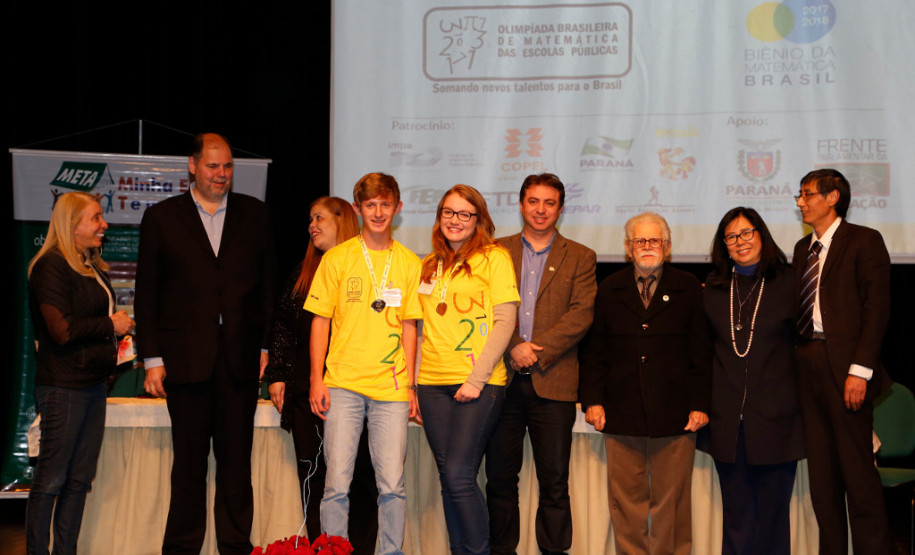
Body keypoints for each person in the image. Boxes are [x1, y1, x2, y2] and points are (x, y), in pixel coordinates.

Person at [135, 133, 276, 555]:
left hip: (240, 361)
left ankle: (236, 546)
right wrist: (153, 359)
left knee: (236, 466)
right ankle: (181, 548)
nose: (221, 174)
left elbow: (267, 288)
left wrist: (265, 348)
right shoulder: (162, 218)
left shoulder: (257, 215)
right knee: (189, 466)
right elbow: (148, 293)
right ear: (193, 166)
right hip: (183, 362)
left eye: (228, 166)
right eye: (213, 166)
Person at [579, 211, 711, 555]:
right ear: (627, 247)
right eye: (640, 240)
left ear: (667, 247)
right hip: (621, 413)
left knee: (673, 505)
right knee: (626, 505)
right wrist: (592, 400)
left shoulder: (688, 289)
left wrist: (700, 404)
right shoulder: (609, 288)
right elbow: (595, 350)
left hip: (677, 415)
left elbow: (702, 353)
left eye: (655, 240)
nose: (647, 246)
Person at [305, 172, 421, 555]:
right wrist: (316, 380)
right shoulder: (337, 258)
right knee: (337, 483)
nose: (378, 212)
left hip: (391, 388)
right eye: (370, 205)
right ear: (357, 209)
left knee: (392, 486)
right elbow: (320, 322)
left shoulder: (408, 262)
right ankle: (335, 550)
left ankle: (390, 552)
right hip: (341, 384)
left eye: (385, 204)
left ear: (398, 208)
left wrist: (411, 386)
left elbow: (409, 328)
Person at [484, 173, 596, 555]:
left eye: (549, 203)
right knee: (499, 478)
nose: (541, 209)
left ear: (560, 208)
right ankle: (501, 550)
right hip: (502, 380)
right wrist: (514, 346)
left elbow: (581, 316)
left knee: (555, 482)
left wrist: (537, 351)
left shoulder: (581, 256)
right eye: (534, 201)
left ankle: (553, 551)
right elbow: (485, 312)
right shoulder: (495, 252)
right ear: (520, 204)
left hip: (555, 381)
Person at [263, 196, 378, 552]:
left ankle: (356, 548)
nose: (312, 225)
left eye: (320, 218)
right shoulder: (302, 272)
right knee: (313, 476)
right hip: (304, 393)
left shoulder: (366, 269)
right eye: (310, 218)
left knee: (357, 479)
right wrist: (278, 375)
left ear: (343, 221)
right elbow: (282, 326)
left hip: (355, 391)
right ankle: (323, 548)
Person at [26, 192, 134, 554]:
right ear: (72, 225)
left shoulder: (90, 267)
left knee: (78, 481)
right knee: (52, 479)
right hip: (63, 387)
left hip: (92, 387)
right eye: (96, 218)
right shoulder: (50, 267)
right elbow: (63, 331)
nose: (104, 225)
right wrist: (110, 325)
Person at [416, 185, 519, 555]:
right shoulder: (429, 265)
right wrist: (415, 386)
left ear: (479, 220)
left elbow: (505, 322)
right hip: (431, 384)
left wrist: (476, 380)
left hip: (480, 383)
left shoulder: (495, 258)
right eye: (448, 212)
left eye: (464, 214)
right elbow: (422, 328)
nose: (454, 220)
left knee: (460, 476)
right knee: (449, 480)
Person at [792, 168, 892, 554]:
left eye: (807, 194)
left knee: (858, 478)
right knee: (822, 481)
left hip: (847, 370)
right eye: (799, 195)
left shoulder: (864, 241)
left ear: (832, 198)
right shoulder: (803, 249)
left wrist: (859, 371)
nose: (800, 202)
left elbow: (877, 311)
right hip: (807, 365)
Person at [702, 207, 804, 555]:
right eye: (731, 236)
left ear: (762, 234)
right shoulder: (713, 288)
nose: (740, 241)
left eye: (747, 233)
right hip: (728, 423)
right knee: (737, 516)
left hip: (777, 421)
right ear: (724, 245)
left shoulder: (790, 282)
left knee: (773, 518)